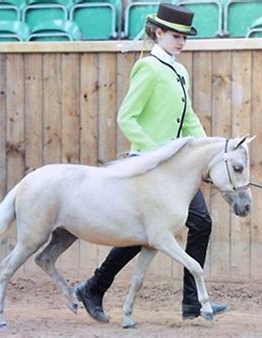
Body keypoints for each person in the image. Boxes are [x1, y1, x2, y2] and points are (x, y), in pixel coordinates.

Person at [76, 3, 227, 322]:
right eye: (176, 36)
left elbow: (188, 118)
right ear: (158, 33)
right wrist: (158, 152)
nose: (182, 42)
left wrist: (207, 151)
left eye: (185, 38)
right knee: (142, 233)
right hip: (148, 164)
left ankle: (191, 303)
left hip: (174, 169)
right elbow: (126, 118)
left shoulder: (179, 70)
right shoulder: (148, 68)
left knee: (200, 223)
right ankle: (94, 287)